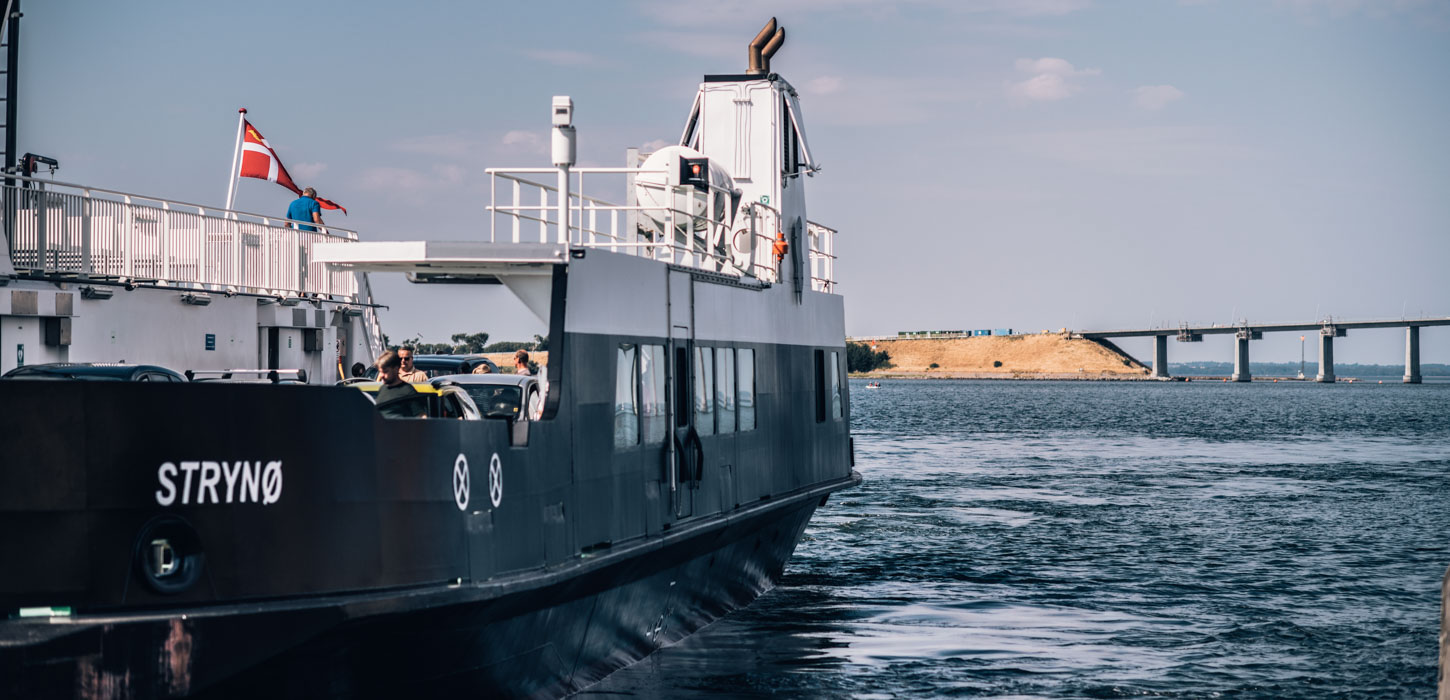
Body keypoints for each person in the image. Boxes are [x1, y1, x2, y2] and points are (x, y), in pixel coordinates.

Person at [374, 350, 426, 419]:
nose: (381, 375)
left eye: (385, 372)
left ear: (395, 369)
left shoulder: (408, 391)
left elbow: (422, 417)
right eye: (380, 372)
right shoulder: (382, 389)